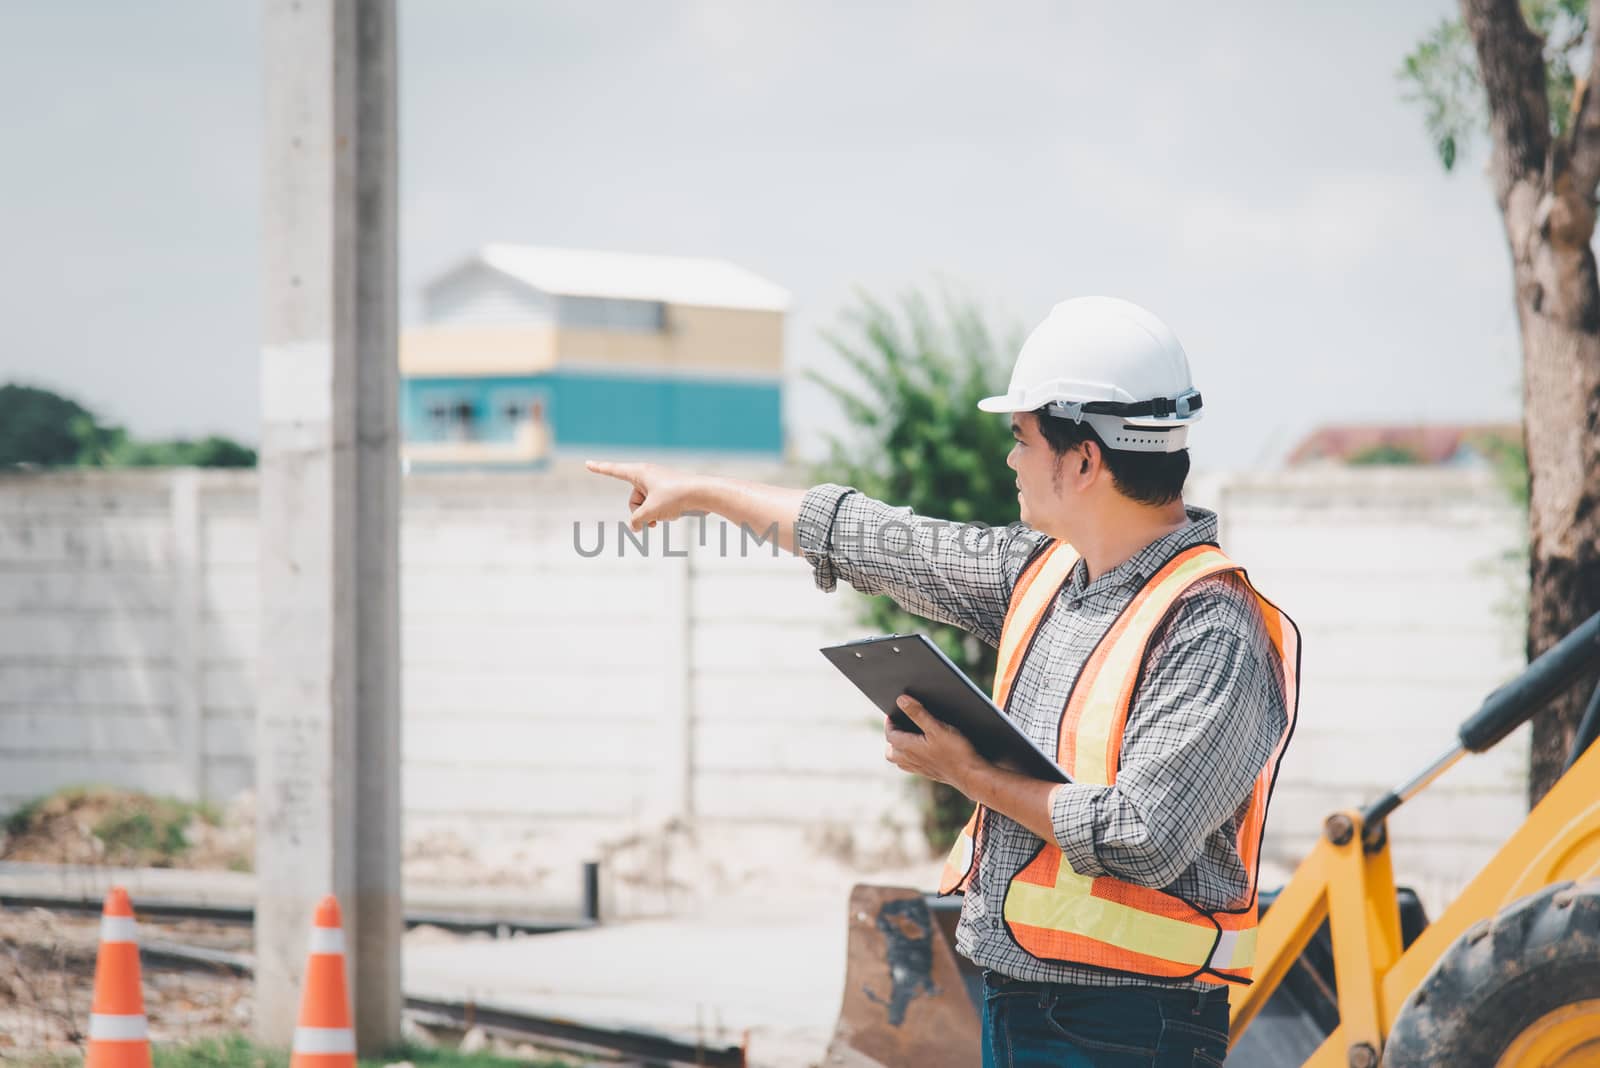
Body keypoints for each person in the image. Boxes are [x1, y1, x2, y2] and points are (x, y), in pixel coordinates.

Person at [587, 296, 1298, 1068]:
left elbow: (1142, 834)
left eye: (1021, 439)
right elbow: (869, 538)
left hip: (1129, 1024)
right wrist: (699, 492)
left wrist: (968, 773)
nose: (1010, 460)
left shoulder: (1211, 625)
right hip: (1021, 995)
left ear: (1086, 459)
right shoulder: (1046, 573)